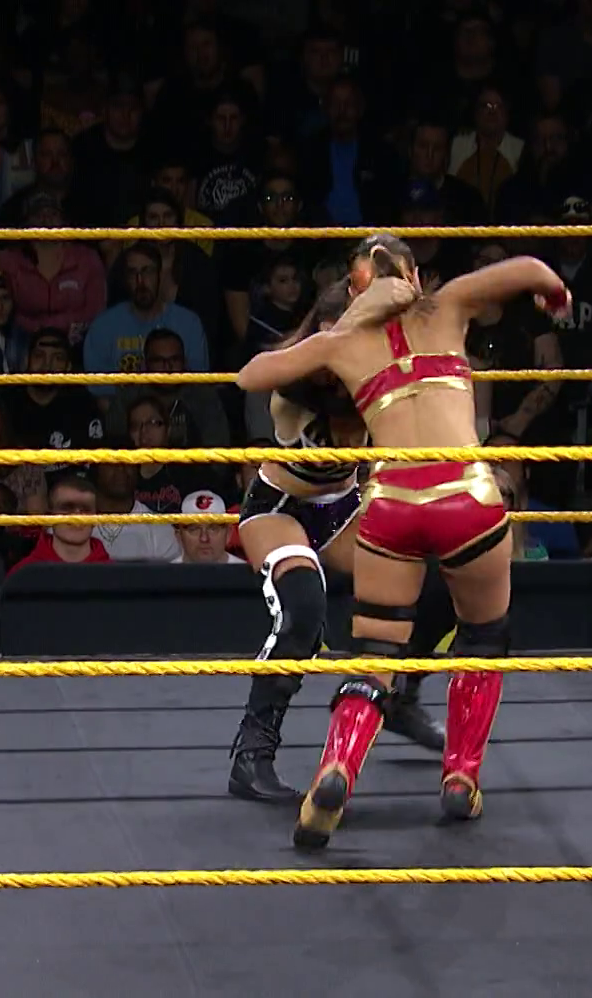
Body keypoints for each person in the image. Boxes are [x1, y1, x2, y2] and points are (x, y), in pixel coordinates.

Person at [238, 234, 570, 847]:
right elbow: (524, 267)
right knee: (469, 629)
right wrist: (554, 292)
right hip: (298, 506)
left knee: (391, 632)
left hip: (374, 506)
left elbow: (254, 372)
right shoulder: (405, 322)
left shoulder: (346, 346)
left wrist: (345, 330)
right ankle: (453, 777)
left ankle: (365, 734)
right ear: (413, 276)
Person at [226, 276, 449, 804]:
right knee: (303, 608)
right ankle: (252, 755)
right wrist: (333, 340)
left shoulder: (376, 379)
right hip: (280, 508)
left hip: (344, 509)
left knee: (438, 575)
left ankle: (400, 693)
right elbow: (248, 376)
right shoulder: (295, 385)